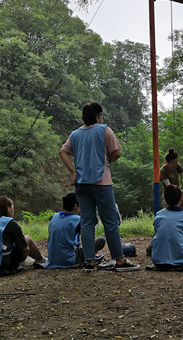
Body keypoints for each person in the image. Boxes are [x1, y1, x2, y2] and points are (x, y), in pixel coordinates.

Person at [59, 102, 140, 272]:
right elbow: (117, 153)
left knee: (87, 221)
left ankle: (89, 262)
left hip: (81, 183)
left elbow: (63, 152)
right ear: (99, 115)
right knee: (110, 221)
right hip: (102, 182)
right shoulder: (105, 130)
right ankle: (119, 260)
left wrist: (73, 171)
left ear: (83, 117)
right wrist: (105, 162)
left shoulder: (75, 134)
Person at [0, 196, 46, 277]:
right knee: (28, 239)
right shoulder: (9, 223)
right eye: (13, 207)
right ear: (8, 208)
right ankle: (42, 261)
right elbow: (26, 249)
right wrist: (19, 261)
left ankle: (40, 260)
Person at [46, 192, 106, 269]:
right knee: (101, 240)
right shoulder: (77, 220)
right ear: (76, 205)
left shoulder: (55, 217)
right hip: (69, 259)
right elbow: (88, 239)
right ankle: (91, 258)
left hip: (52, 259)